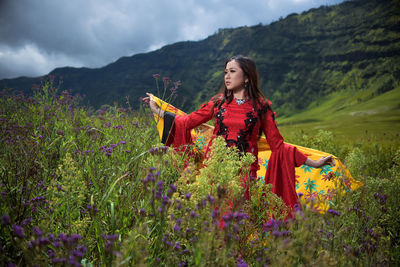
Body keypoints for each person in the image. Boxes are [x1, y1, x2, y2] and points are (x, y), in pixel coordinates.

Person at [143, 55, 334, 211]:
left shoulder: (260, 107)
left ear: (247, 77)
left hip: (243, 172)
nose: (227, 76)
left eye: (232, 71)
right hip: (214, 168)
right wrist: (157, 110)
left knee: (236, 218)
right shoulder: (218, 103)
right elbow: (186, 121)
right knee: (211, 214)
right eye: (225, 72)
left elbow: (278, 145)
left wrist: (315, 163)